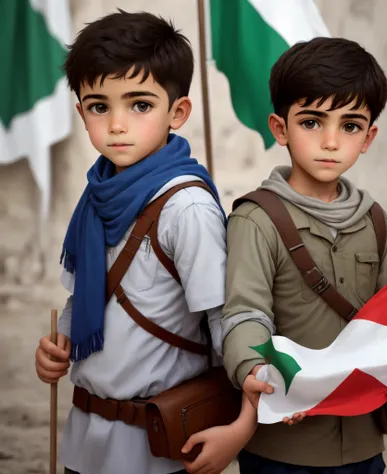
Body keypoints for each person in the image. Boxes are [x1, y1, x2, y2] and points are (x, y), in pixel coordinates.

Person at [34, 10, 256, 474]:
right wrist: (60, 345)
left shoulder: (185, 208)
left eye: (139, 105)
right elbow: (86, 297)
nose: (116, 124)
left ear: (178, 111)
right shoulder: (97, 194)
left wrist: (243, 421)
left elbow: (221, 319)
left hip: (159, 444)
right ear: (81, 111)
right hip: (86, 437)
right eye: (99, 106)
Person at [221, 37, 387, 474]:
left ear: (369, 137)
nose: (330, 141)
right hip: (285, 444)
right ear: (279, 127)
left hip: (365, 441)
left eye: (349, 126)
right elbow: (243, 312)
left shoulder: (374, 221)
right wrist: (255, 369)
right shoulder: (257, 220)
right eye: (312, 122)